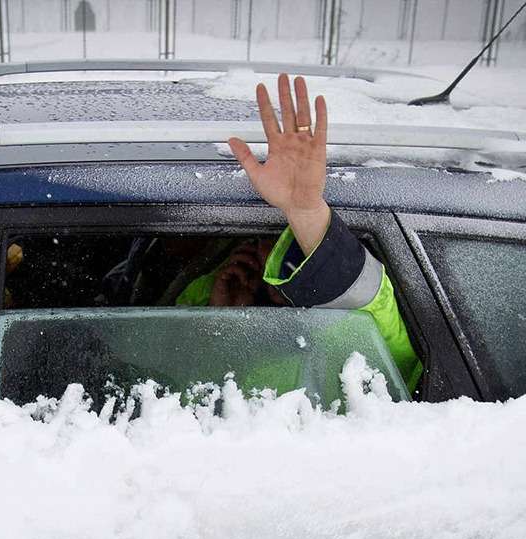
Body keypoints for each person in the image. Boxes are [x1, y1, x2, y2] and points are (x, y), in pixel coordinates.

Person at [178, 74, 423, 394]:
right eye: (261, 243)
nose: (272, 262)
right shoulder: (202, 299)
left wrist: (305, 213)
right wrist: (223, 326)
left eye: (292, 251)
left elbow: (378, 337)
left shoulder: (348, 350)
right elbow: (177, 395)